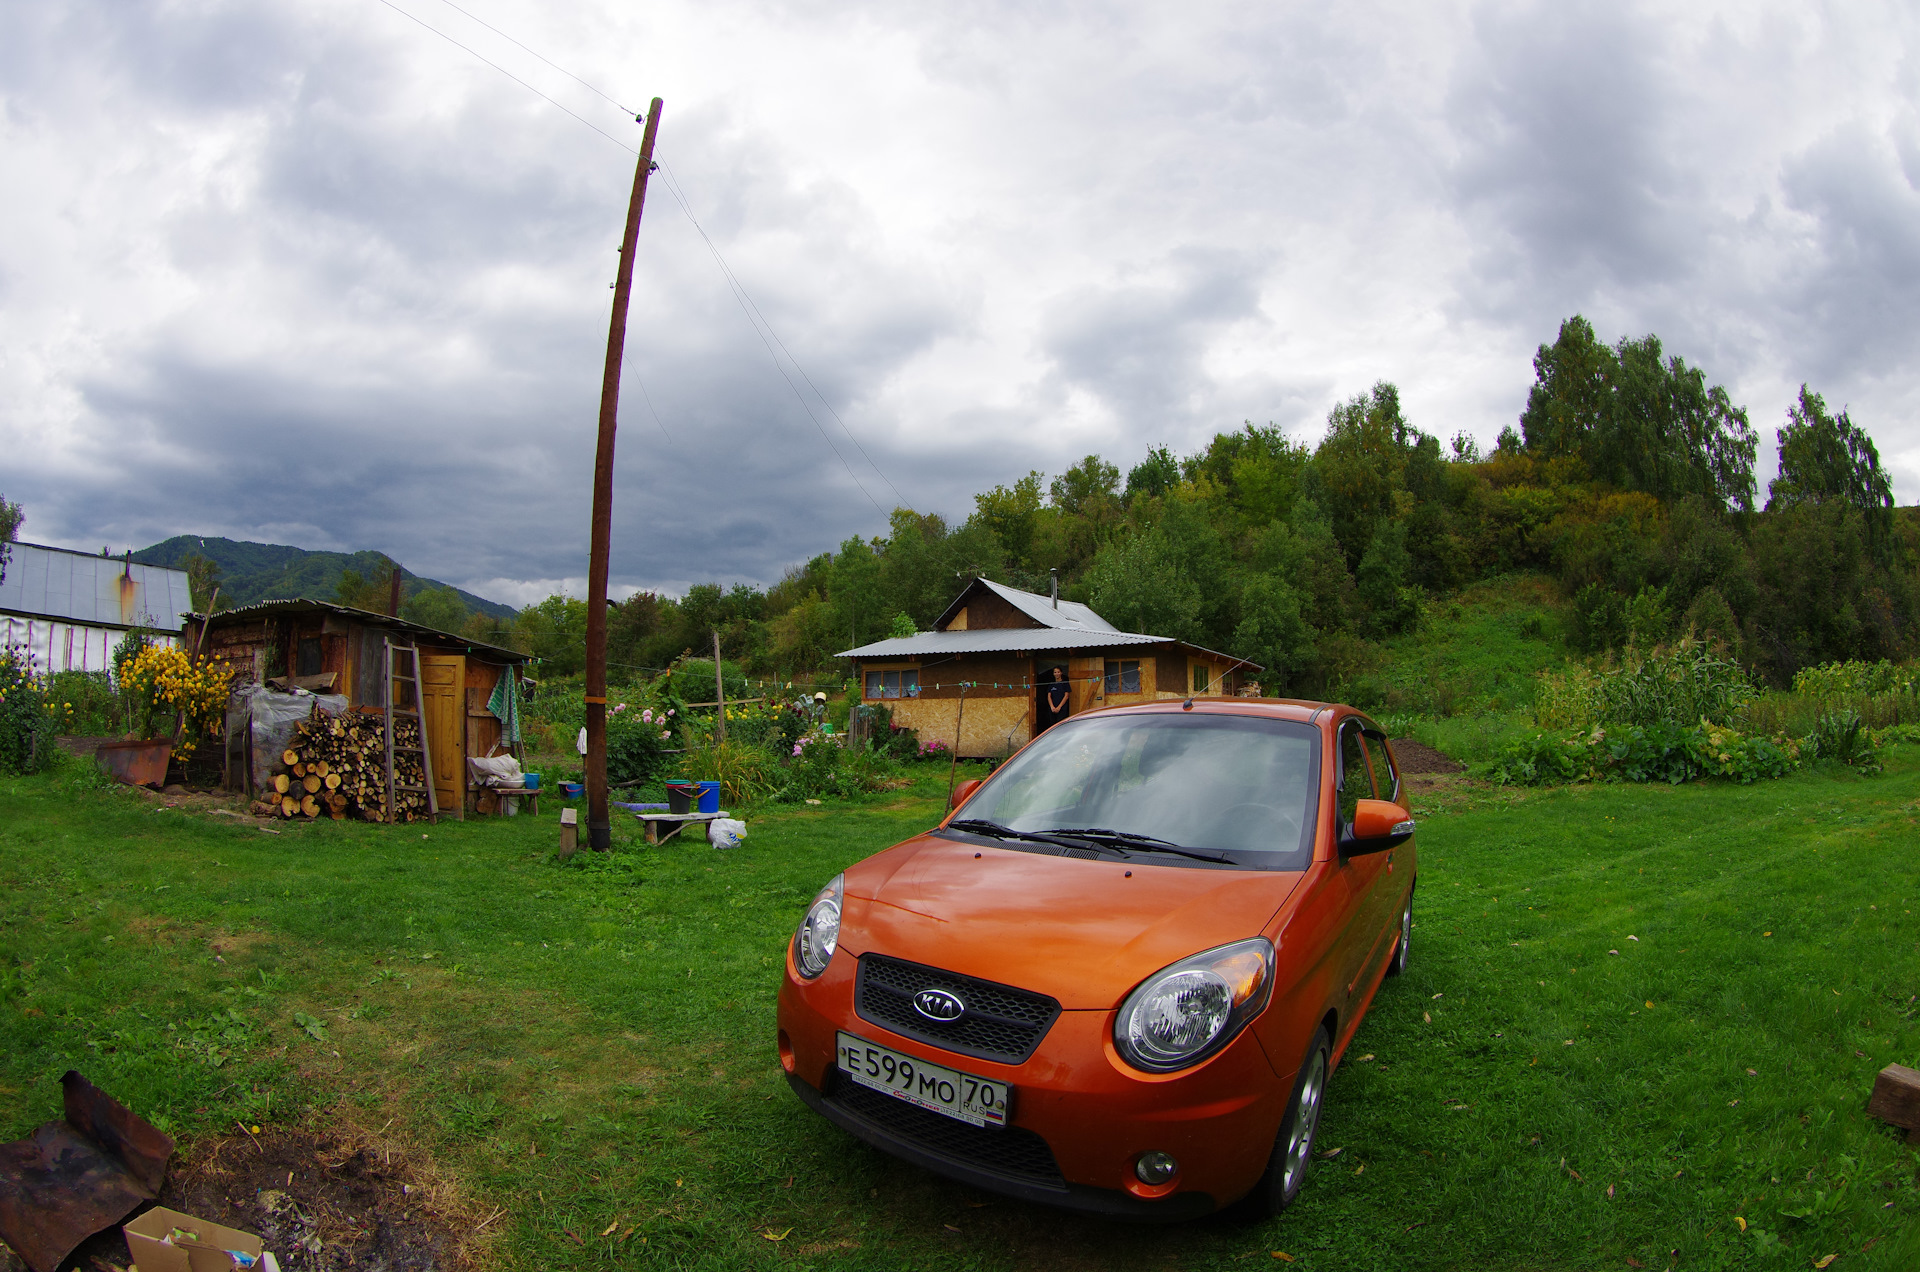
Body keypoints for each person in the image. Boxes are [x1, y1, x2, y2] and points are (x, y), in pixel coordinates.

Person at [1038, 665, 1072, 733]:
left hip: (1062, 709)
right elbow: (1049, 696)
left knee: (1061, 725)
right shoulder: (1051, 684)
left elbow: (1066, 696)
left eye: (1058, 672)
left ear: (1061, 673)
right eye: (1055, 672)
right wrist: (1052, 707)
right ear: (1053, 674)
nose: (1057, 674)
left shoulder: (1065, 683)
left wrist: (1059, 707)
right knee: (1053, 726)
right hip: (1052, 709)